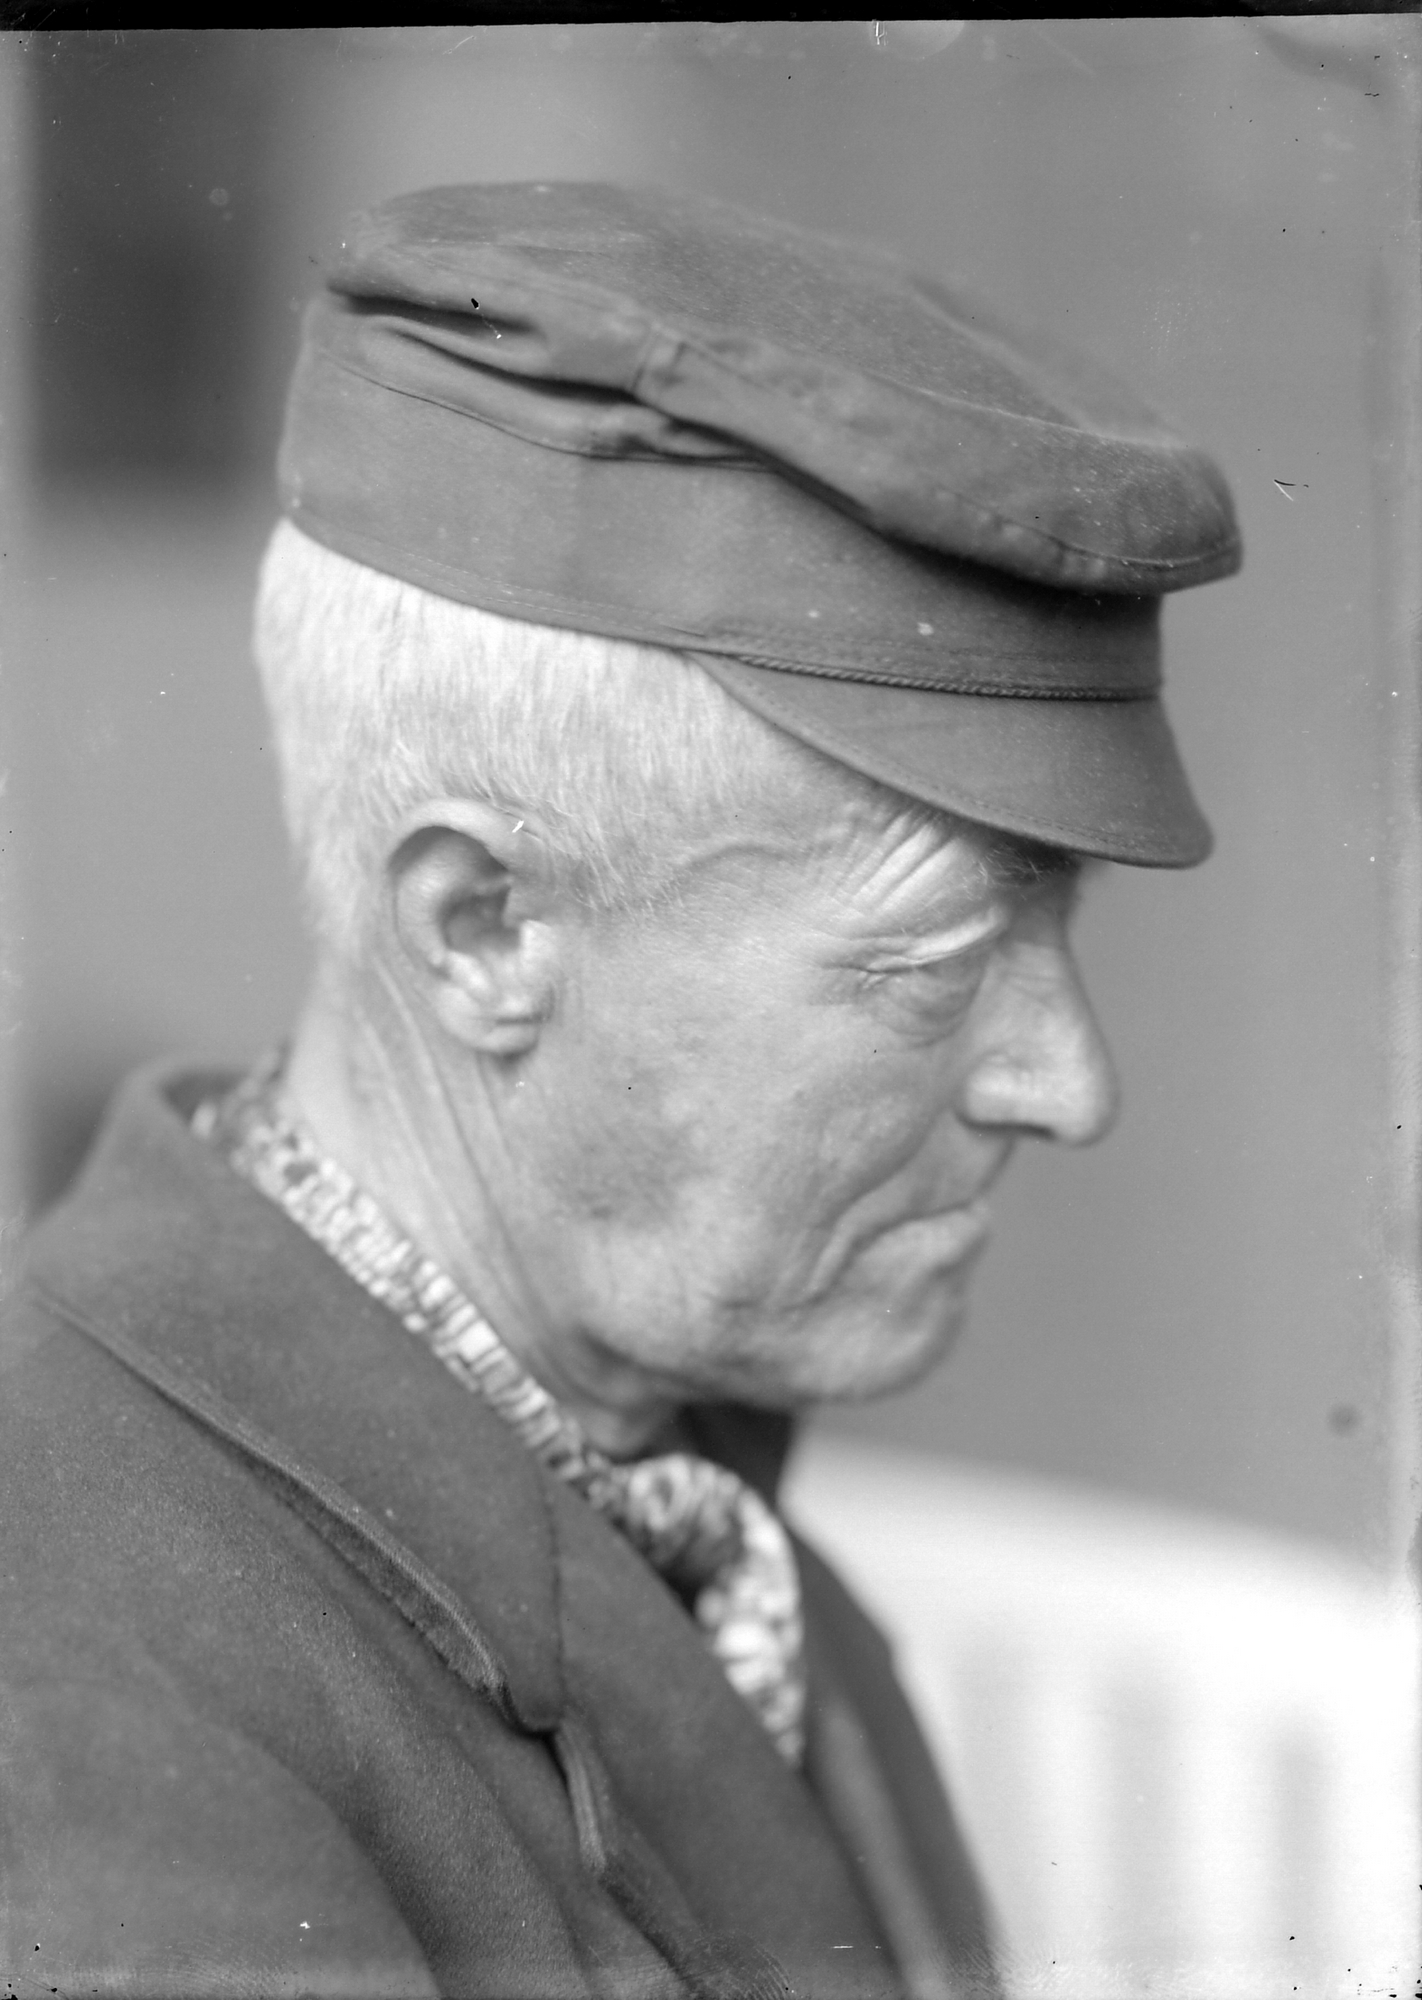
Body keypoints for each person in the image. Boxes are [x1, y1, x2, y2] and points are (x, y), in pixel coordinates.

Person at [0, 183, 1241, 2000]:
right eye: (926, 965)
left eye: (1058, 934)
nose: (1070, 1083)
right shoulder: (73, 1699)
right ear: (482, 929)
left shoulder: (706, 1530)